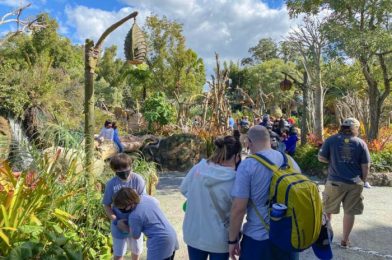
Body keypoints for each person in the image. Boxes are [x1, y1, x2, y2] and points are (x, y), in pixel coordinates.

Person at [228, 125, 300, 260]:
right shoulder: (290, 161)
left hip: (258, 239)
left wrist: (232, 240)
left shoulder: (248, 165)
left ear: (249, 142)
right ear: (269, 139)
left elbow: (238, 208)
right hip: (288, 236)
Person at [181, 136, 242, 260]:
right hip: (219, 239)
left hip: (194, 234)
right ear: (237, 156)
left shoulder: (198, 168)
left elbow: (184, 189)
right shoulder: (236, 180)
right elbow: (237, 211)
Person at [318, 117, 371, 248]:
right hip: (354, 183)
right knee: (350, 212)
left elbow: (321, 158)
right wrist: (363, 181)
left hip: (334, 181)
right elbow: (366, 165)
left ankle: (325, 238)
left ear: (342, 127)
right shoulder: (360, 143)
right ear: (355, 128)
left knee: (327, 210)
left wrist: (333, 161)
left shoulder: (331, 140)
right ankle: (345, 240)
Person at [113, 187, 179, 260]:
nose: (120, 210)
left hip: (160, 242)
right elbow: (157, 202)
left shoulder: (134, 216)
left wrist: (123, 227)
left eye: (122, 208)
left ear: (130, 203)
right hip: (172, 235)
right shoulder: (146, 198)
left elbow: (135, 236)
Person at [102, 153, 146, 260]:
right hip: (119, 224)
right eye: (118, 169)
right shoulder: (111, 184)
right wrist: (116, 221)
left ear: (131, 166)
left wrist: (138, 221)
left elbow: (144, 202)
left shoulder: (138, 180)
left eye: (125, 167)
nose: (122, 171)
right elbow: (106, 205)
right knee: (118, 254)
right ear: (113, 170)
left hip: (135, 223)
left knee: (136, 251)